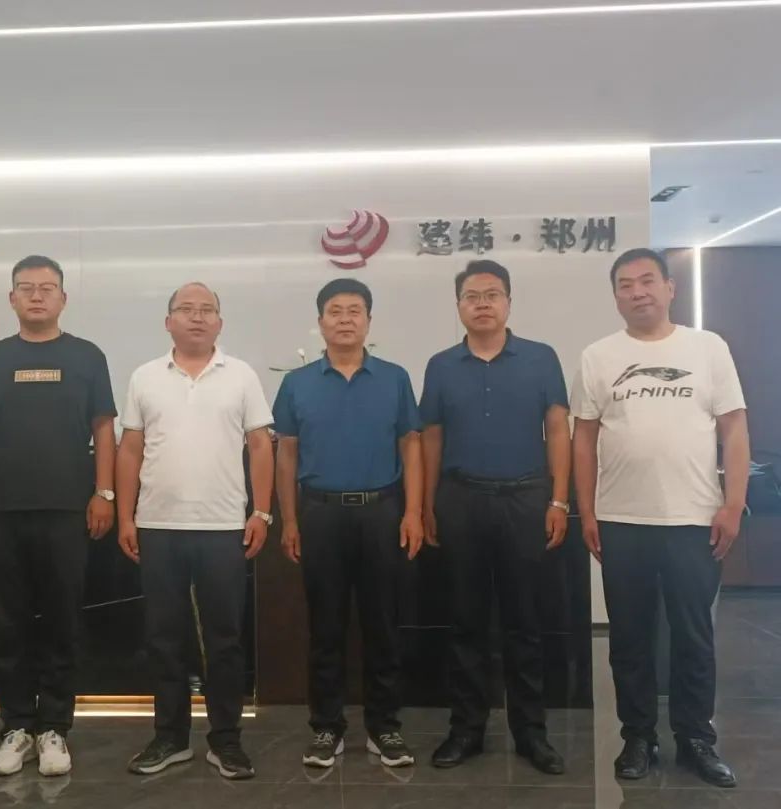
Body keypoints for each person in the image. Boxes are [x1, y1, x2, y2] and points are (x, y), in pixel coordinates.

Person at [571, 248, 749, 789]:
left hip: (694, 519)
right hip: (622, 520)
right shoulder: (598, 356)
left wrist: (733, 504)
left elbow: (734, 429)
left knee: (693, 635)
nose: (638, 291)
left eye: (647, 280)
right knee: (629, 636)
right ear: (615, 296)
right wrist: (587, 510)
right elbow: (583, 439)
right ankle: (638, 737)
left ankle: (696, 738)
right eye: (625, 284)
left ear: (670, 287)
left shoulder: (707, 347)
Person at [0, 255, 117, 777]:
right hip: (1, 511)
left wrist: (104, 493)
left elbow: (103, 429)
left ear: (63, 298)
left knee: (61, 621)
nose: (36, 295)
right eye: (25, 287)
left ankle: (54, 728)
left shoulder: (87, 356)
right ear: (11, 298)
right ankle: (15, 728)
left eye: (46, 288)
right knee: (5, 624)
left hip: (68, 510)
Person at [117, 282, 274, 780]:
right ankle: (170, 737)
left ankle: (226, 739)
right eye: (186, 309)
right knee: (164, 638)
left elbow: (261, 446)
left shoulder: (241, 375)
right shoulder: (145, 376)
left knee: (224, 639)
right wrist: (126, 516)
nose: (197, 317)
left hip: (223, 527)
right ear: (168, 322)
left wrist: (262, 512)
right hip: (158, 526)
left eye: (207, 310)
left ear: (220, 323)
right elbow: (130, 449)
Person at [418, 259, 570, 775]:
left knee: (525, 622)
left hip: (526, 499)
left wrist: (559, 500)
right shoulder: (441, 365)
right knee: (466, 622)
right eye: (472, 296)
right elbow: (431, 436)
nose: (482, 303)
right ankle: (466, 730)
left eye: (492, 294)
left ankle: (531, 734)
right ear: (458, 305)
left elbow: (558, 429)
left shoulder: (541, 358)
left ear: (508, 302)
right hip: (461, 500)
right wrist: (428, 503)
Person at [272, 277, 423, 769]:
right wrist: (289, 519)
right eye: (334, 311)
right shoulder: (297, 383)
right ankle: (326, 727)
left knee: (383, 625)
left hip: (382, 511)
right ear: (320, 322)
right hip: (320, 513)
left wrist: (413, 512)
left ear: (368, 321)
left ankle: (385, 727)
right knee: (325, 626)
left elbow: (411, 446)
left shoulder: (394, 378)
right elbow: (286, 453)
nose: (344, 319)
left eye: (354, 310)